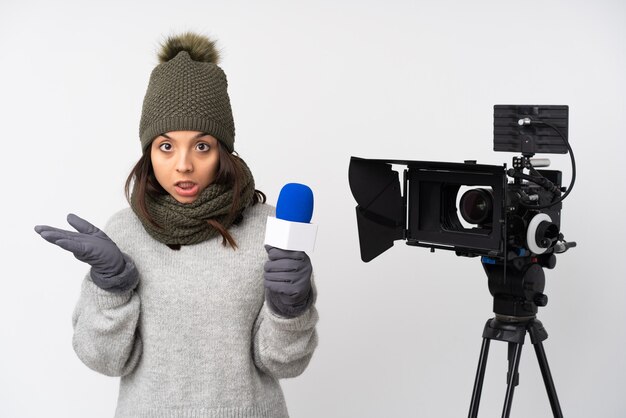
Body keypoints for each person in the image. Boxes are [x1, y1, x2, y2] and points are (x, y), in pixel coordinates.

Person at [34, 32, 319, 418]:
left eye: (202, 146)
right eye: (166, 146)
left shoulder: (270, 232)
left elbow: (285, 364)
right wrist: (110, 288)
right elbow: (103, 361)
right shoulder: (124, 234)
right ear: (149, 152)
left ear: (223, 151)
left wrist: (291, 310)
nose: (183, 164)